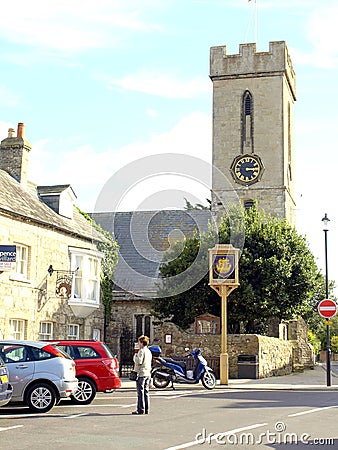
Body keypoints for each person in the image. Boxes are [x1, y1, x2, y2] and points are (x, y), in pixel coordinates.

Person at [132, 335, 152, 415]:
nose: (138, 343)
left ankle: (140, 409)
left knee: (140, 392)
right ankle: (146, 409)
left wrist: (135, 356)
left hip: (141, 373)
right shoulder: (148, 351)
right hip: (147, 373)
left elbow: (139, 361)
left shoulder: (141, 351)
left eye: (139, 342)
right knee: (146, 392)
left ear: (141, 343)